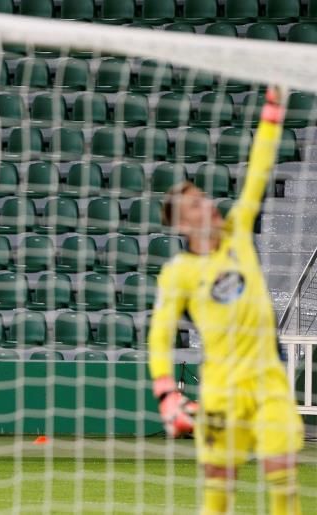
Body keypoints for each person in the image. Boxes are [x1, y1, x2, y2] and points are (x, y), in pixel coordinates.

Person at [148, 86, 303, 515]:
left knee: (282, 480)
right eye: (196, 205)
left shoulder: (236, 231)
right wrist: (167, 393)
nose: (209, 205)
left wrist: (272, 115)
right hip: (219, 392)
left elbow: (257, 172)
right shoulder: (178, 273)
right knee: (218, 490)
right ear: (182, 224)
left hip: (269, 382)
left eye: (204, 198)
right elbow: (159, 336)